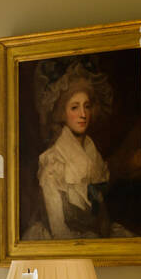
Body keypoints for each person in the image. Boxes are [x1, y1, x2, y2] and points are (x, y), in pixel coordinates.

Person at [35, 62, 113, 239]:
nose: (83, 114)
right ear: (62, 113)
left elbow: (102, 219)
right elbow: (59, 230)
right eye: (75, 107)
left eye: (87, 106)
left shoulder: (95, 158)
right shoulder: (53, 163)